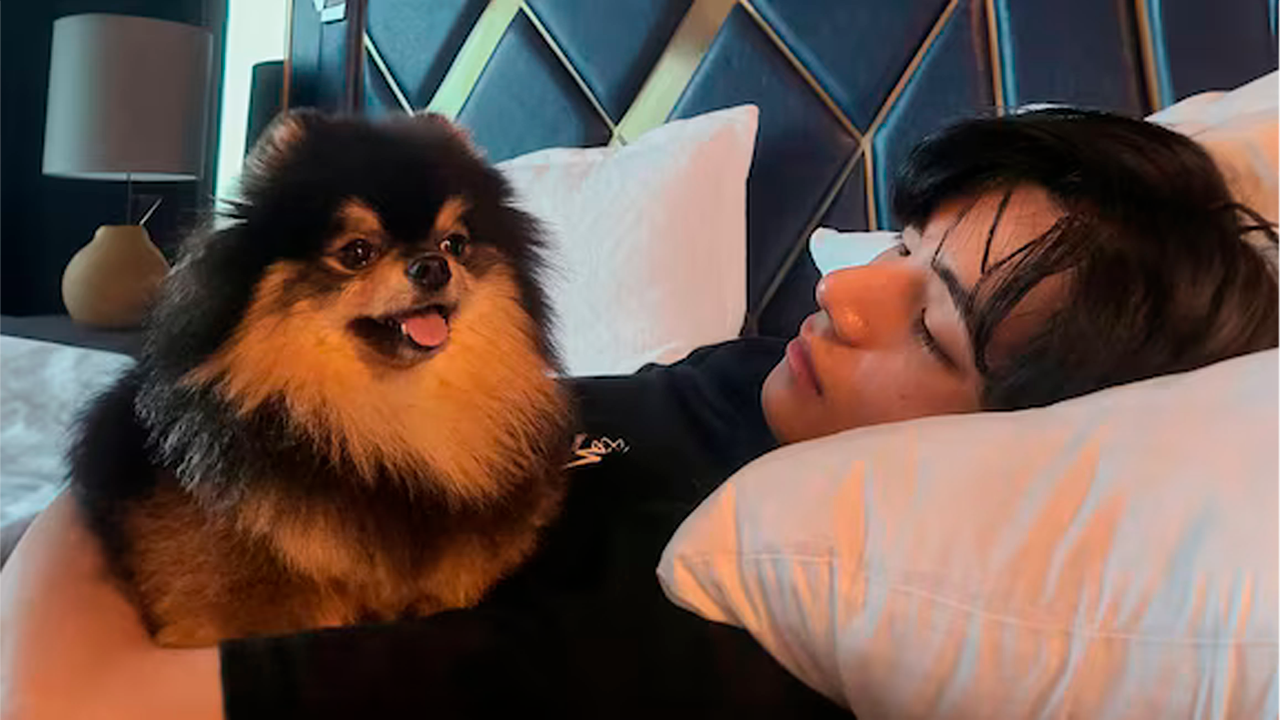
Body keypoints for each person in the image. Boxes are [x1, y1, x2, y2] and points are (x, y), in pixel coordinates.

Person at [3, 108, 1276, 719]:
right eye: (898, 244)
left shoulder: (719, 608)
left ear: (1016, 450)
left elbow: (63, 700)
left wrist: (144, 449)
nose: (845, 288)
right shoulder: (761, 378)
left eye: (932, 325)